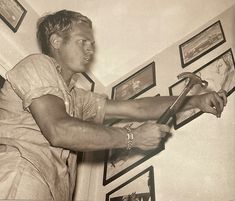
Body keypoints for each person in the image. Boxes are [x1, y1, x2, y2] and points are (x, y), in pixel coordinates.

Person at [0, 10, 227, 201]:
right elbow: (59, 130)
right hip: (20, 177)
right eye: (83, 42)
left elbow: (134, 109)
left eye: (92, 44)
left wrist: (194, 101)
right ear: (57, 41)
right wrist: (132, 138)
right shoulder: (38, 64)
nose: (90, 49)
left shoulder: (77, 98)